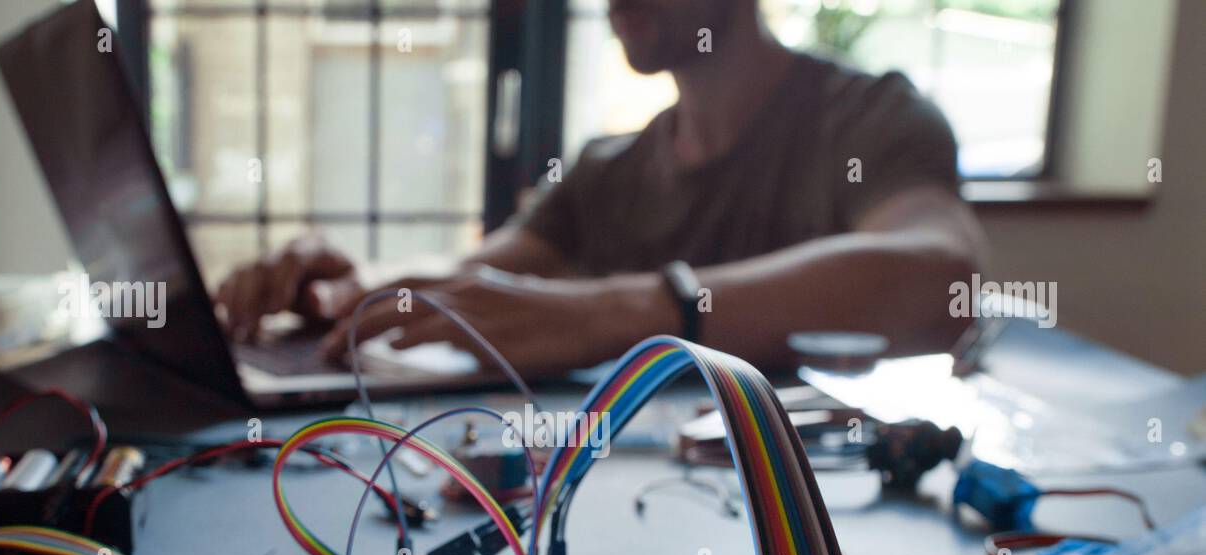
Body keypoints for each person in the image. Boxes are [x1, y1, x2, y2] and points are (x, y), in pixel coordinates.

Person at [216, 0, 985, 376]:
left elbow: (944, 278)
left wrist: (631, 314)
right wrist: (350, 287)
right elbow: (488, 282)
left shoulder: (872, 120)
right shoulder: (607, 169)